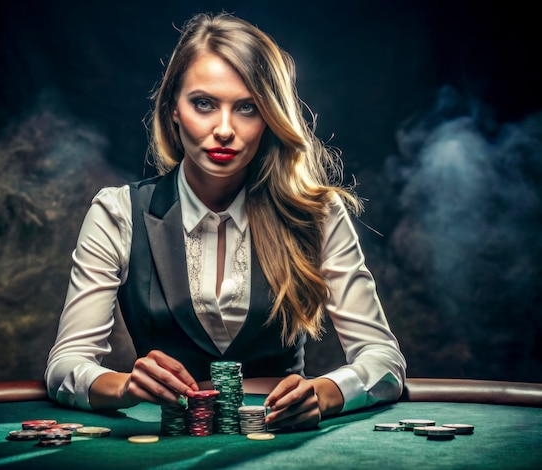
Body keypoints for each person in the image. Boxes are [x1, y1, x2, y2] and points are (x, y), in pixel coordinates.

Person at [45, 11, 406, 430]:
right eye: (203, 104)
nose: (223, 129)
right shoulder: (117, 213)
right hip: (166, 447)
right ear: (173, 109)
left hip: (278, 446)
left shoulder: (317, 216)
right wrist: (125, 386)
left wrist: (325, 394)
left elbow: (384, 360)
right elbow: (65, 366)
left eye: (247, 108)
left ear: (269, 118)